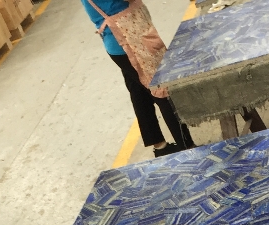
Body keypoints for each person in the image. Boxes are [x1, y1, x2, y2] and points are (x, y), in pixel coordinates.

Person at [81, 0, 195, 157]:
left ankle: (160, 146)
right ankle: (189, 148)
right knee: (161, 90)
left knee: (139, 92)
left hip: (116, 42)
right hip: (130, 42)